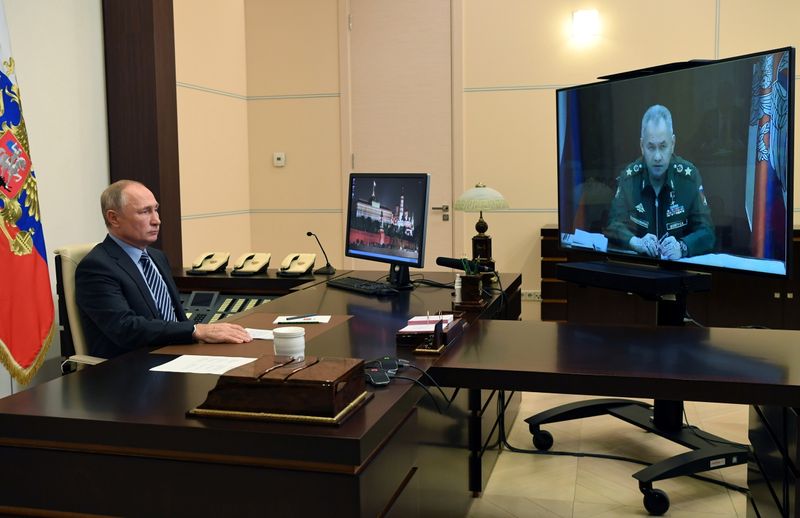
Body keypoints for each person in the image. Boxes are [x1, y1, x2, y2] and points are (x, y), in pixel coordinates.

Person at [76, 180, 252, 358]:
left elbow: (174, 317)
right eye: (144, 212)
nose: (156, 220)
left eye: (155, 209)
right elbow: (125, 328)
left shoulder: (157, 257)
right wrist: (194, 330)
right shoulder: (96, 267)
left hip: (177, 355)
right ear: (114, 218)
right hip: (134, 367)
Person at [605, 104, 715, 259]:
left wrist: (683, 247)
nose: (657, 157)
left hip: (678, 273)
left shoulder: (689, 177)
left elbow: (707, 232)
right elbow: (613, 225)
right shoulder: (629, 178)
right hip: (640, 270)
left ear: (673, 144)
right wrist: (635, 242)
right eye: (651, 147)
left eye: (663, 146)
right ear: (642, 146)